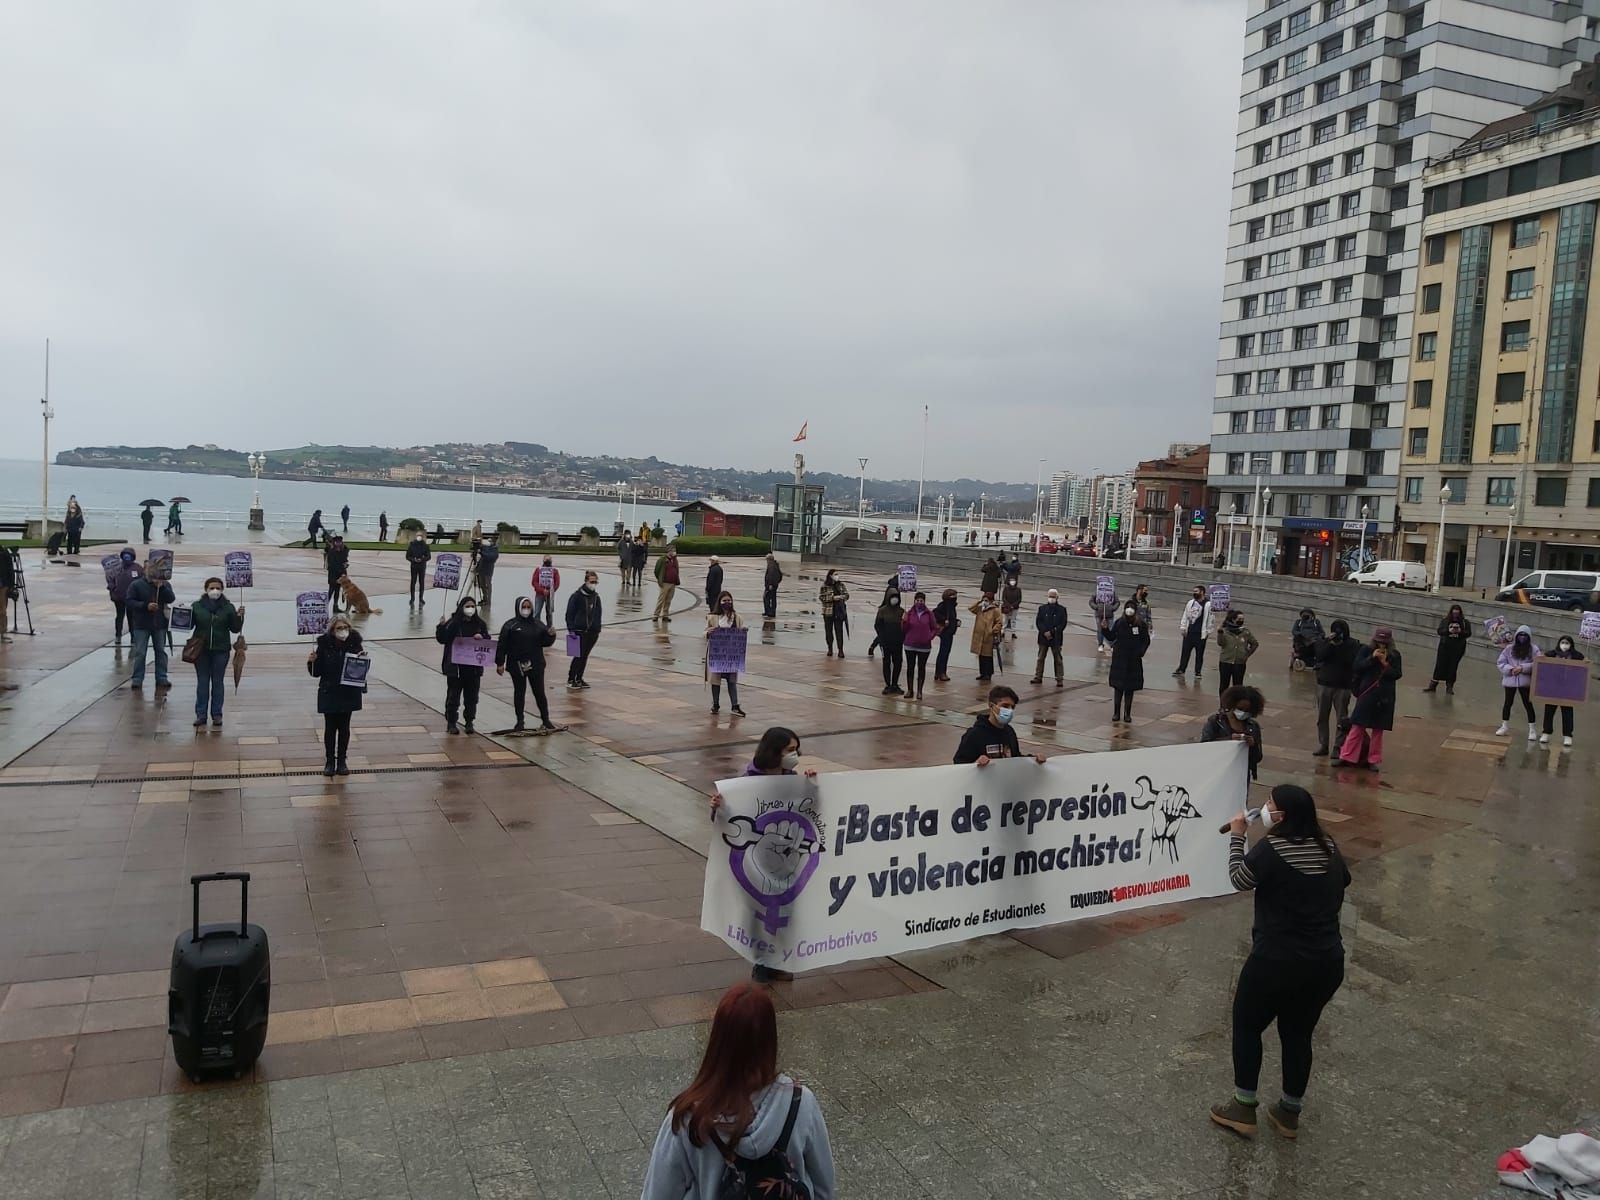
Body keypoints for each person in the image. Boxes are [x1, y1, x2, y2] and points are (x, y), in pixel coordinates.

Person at [1210, 784, 1349, 1142]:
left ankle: (1243, 1107)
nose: (1266, 806)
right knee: (1298, 1032)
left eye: (1271, 803)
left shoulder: (1274, 848)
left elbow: (1240, 878)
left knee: (1246, 1023)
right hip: (1326, 961)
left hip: (1277, 959)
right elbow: (1343, 880)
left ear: (1283, 816)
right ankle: (1289, 1112)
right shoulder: (1328, 846)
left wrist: (1238, 837)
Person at [641, 983, 835, 1199]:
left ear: (718, 1040)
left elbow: (658, 1193)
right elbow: (824, 1189)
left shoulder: (688, 1118)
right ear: (770, 1040)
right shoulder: (801, 1103)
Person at [1336, 628, 1401, 770]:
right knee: (1357, 726)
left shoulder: (1395, 655)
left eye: (1384, 643)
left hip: (1384, 696)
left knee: (1378, 730)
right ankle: (1346, 756)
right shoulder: (1365, 650)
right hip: (1367, 693)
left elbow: (1396, 674)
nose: (1381, 646)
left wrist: (1385, 663)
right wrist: (1372, 658)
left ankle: (1373, 760)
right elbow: (1357, 667)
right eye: (1378, 642)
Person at [309, 614, 363, 776]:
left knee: (344, 727)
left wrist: (362, 660)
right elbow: (316, 672)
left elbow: (360, 669)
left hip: (348, 691)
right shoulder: (324, 645)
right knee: (330, 728)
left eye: (345, 627)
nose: (343, 631)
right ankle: (329, 761)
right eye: (339, 628)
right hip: (329, 690)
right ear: (332, 630)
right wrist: (312, 661)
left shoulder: (355, 644)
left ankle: (342, 760)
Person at [495, 596, 556, 732]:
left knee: (539, 692)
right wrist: (500, 663)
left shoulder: (538, 624)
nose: (526, 610)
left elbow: (545, 642)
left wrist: (551, 635)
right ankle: (520, 721)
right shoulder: (510, 625)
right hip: (516, 665)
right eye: (524, 607)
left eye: (529, 607)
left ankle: (546, 720)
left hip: (536, 663)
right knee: (519, 692)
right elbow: (502, 645)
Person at [189, 577, 244, 728]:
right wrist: (179, 614)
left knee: (218, 682)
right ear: (206, 589)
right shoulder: (197, 606)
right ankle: (201, 714)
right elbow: (188, 625)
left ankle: (217, 715)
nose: (215, 590)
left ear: (222, 590)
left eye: (218, 588)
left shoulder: (228, 607)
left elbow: (234, 628)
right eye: (212, 587)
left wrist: (239, 617)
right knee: (203, 682)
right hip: (201, 650)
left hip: (221, 650)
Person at [953, 686, 1047, 764]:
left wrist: (1034, 759)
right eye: (1005, 706)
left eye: (1012, 707)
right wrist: (976, 763)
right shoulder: (974, 734)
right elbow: (959, 763)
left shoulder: (1009, 731)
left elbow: (1015, 758)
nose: (1009, 710)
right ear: (991, 706)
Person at [436, 596, 490, 733]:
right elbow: (442, 639)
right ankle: (451, 722)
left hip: (473, 668)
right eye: (467, 606)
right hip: (456, 668)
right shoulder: (454, 623)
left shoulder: (480, 624)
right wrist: (441, 627)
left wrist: (482, 638)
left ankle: (469, 721)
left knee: (472, 697)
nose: (470, 609)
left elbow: (488, 642)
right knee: (453, 696)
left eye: (473, 606)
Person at [1310, 619, 1357, 757]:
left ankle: (1338, 747)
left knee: (1341, 718)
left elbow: (1350, 660)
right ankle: (1323, 745)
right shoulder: (1325, 642)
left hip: (1343, 686)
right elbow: (1319, 656)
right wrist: (1329, 643)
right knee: (1322, 717)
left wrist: (1341, 645)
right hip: (1325, 684)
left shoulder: (1352, 644)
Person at [125, 565, 176, 690]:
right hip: (141, 624)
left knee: (160, 651)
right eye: (150, 568)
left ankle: (161, 677)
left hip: (160, 624)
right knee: (140, 652)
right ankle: (137, 678)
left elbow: (171, 598)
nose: (154, 571)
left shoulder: (164, 584)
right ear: (145, 570)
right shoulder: (136, 585)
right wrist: (145, 606)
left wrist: (162, 587)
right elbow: (129, 602)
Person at [1201, 685, 1266, 780]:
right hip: (1218, 772)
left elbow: (1257, 757)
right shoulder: (1215, 722)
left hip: (1241, 774)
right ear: (1232, 705)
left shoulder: (1253, 726)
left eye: (1247, 710)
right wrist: (1228, 740)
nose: (1243, 712)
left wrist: (1253, 745)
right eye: (1240, 708)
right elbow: (1205, 747)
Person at [1494, 624, 1542, 739]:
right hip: (1510, 680)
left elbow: (1538, 663)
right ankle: (1504, 726)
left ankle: (1532, 729)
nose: (1522, 637)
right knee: (1507, 703)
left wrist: (1523, 668)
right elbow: (1501, 662)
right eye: (1520, 635)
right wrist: (1510, 670)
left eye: (1525, 635)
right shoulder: (1509, 648)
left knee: (1528, 704)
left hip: (1525, 682)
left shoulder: (1534, 649)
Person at [1108, 600, 1151, 726]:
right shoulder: (1119, 623)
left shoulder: (1141, 625)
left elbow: (1146, 640)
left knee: (1129, 689)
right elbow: (1111, 636)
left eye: (1131, 608)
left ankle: (1127, 713)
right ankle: (1116, 713)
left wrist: (1140, 652)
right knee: (1118, 688)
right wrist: (1104, 628)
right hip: (1119, 659)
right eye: (1128, 608)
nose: (1129, 610)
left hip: (1133, 660)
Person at [706, 590, 747, 715]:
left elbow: (741, 630)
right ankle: (715, 704)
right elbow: (705, 633)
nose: (727, 603)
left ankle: (735, 705)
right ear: (720, 602)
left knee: (732, 681)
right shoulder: (713, 618)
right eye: (724, 601)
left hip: (731, 655)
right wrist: (709, 632)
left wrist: (744, 630)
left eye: (729, 600)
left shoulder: (737, 617)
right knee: (715, 681)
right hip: (718, 654)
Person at [1540, 635, 1584, 748]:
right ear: (1559, 643)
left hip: (1567, 689)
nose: (1565, 645)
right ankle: (1546, 733)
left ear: (1571, 645)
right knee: (1549, 711)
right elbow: (1542, 658)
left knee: (1567, 712)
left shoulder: (1575, 656)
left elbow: (1583, 661)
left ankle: (1567, 736)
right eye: (1563, 642)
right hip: (1553, 688)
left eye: (1567, 643)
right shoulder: (1553, 654)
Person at [565, 570, 602, 689]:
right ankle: (571, 679)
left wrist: (597, 628)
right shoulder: (576, 596)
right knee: (577, 656)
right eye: (592, 581)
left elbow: (598, 613)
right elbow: (569, 614)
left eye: (595, 582)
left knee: (585, 656)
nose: (593, 584)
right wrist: (571, 629)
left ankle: (579, 678)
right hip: (578, 631)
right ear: (586, 581)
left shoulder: (596, 597)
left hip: (592, 632)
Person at [1423, 605, 1471, 694]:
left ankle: (1449, 686)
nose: (1455, 615)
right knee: (1440, 665)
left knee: (1453, 667)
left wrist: (1460, 632)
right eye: (1454, 613)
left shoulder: (1465, 622)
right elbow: (1439, 631)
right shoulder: (1445, 621)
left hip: (1457, 648)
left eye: (1457, 613)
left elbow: (1468, 633)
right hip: (1444, 647)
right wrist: (1449, 631)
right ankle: (1433, 684)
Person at [900, 591, 939, 701]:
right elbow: (904, 629)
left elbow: (934, 627)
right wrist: (904, 621)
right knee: (910, 667)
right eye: (917, 600)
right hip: (910, 644)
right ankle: (910, 690)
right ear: (914, 601)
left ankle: (920, 691)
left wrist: (929, 637)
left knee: (921, 668)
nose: (919, 602)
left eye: (921, 601)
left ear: (924, 601)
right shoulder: (909, 613)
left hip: (924, 646)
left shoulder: (929, 614)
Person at [1215, 610, 1260, 696]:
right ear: (1233, 619)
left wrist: (1247, 655)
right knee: (1224, 685)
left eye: (1242, 619)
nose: (1241, 621)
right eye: (1239, 619)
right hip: (1225, 662)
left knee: (1238, 686)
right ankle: (1223, 705)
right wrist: (1220, 633)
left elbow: (1255, 643)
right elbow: (1220, 643)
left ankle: (1237, 705)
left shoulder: (1245, 632)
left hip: (1239, 663)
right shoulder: (1225, 631)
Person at [1174, 586, 1215, 678]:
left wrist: (1208, 631)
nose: (1194, 593)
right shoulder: (1190, 603)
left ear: (1202, 592)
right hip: (1189, 632)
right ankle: (1181, 669)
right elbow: (1185, 615)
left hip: (1200, 633)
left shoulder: (1208, 604)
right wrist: (1183, 627)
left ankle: (1198, 671)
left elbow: (1211, 619)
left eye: (1196, 591)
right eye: (1194, 591)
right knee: (1185, 652)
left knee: (1199, 654)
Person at [1032, 589, 1068, 686]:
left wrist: (1052, 632)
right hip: (1043, 638)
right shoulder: (1042, 608)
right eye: (1050, 596)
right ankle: (1038, 676)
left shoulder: (1062, 610)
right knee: (1040, 658)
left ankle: (1059, 679)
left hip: (1056, 638)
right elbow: (1039, 622)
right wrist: (1044, 632)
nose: (1051, 598)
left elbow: (1062, 624)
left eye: (1053, 596)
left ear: (1057, 597)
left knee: (1058, 659)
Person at [106, 547, 142, 644]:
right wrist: (112, 587)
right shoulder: (116, 568)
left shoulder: (137, 568)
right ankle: (118, 635)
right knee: (120, 616)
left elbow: (143, 581)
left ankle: (133, 636)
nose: (127, 557)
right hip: (119, 597)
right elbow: (111, 580)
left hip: (132, 598)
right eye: (125, 555)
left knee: (131, 618)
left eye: (129, 555)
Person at [874, 590, 906, 695]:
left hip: (898, 642)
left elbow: (905, 627)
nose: (894, 599)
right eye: (892, 597)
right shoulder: (882, 611)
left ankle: (895, 684)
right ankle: (888, 684)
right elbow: (878, 626)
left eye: (896, 597)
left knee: (898, 663)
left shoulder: (902, 611)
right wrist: (882, 639)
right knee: (886, 662)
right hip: (885, 642)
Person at [968, 592, 1004, 683]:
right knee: (981, 655)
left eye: (986, 600)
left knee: (987, 656)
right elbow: (971, 609)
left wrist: (993, 630)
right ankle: (982, 673)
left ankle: (988, 673)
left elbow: (999, 622)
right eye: (984, 600)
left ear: (991, 601)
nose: (985, 602)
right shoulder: (980, 609)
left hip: (988, 636)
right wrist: (978, 602)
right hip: (979, 635)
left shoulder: (995, 610)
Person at [819, 570, 849, 656]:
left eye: (837, 574)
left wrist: (841, 597)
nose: (837, 576)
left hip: (838, 611)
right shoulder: (825, 586)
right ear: (830, 576)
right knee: (828, 631)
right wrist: (833, 598)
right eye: (835, 574)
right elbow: (822, 597)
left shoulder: (841, 585)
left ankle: (840, 650)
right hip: (828, 611)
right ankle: (830, 648)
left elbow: (847, 595)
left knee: (839, 631)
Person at [932, 588, 959, 682]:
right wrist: (944, 620)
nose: (955, 598)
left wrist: (956, 622)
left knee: (944, 652)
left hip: (950, 631)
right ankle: (941, 672)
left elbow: (951, 618)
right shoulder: (945, 605)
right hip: (946, 632)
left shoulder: (951, 606)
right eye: (953, 596)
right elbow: (935, 613)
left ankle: (938, 672)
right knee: (944, 652)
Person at [1089, 584, 1119, 655]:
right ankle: (1100, 644)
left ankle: (1112, 645)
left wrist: (1113, 608)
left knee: (1111, 630)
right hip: (1099, 614)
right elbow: (1091, 601)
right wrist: (1096, 607)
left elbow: (1117, 602)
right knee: (1100, 630)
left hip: (1109, 614)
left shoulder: (1112, 592)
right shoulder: (1097, 592)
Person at [532, 555, 561, 624]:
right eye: (546, 560)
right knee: (537, 612)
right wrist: (542, 590)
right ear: (543, 561)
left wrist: (551, 590)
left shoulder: (555, 571)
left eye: (549, 560)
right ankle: (536, 627)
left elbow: (557, 583)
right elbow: (534, 582)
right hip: (540, 594)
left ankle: (549, 627)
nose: (548, 561)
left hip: (550, 594)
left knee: (549, 612)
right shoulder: (538, 570)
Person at [653, 546, 679, 621]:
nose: (674, 552)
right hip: (665, 583)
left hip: (673, 583)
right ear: (669, 551)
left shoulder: (674, 560)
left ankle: (665, 615)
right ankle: (656, 615)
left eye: (675, 551)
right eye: (673, 551)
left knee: (668, 600)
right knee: (661, 599)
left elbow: (676, 569)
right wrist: (660, 579)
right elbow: (656, 570)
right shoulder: (662, 560)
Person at [323, 534, 349, 611]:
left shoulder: (344, 550)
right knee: (331, 590)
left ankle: (335, 606)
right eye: (336, 542)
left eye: (339, 542)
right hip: (333, 573)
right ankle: (325, 607)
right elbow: (331, 563)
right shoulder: (331, 551)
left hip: (341, 574)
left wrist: (345, 565)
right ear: (334, 542)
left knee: (337, 590)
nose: (338, 543)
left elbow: (344, 560)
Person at [406, 530, 431, 604]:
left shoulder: (425, 546)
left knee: (421, 582)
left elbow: (428, 556)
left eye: (420, 536)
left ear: (422, 537)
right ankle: (412, 598)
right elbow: (407, 556)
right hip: (414, 566)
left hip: (422, 566)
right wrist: (413, 559)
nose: (419, 537)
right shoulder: (412, 545)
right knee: (413, 582)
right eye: (417, 536)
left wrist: (422, 559)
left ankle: (421, 598)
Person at [474, 535, 498, 610]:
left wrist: (481, 552)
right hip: (481, 569)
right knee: (482, 584)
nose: (490, 543)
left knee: (487, 584)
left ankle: (488, 600)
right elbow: (482, 552)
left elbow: (490, 557)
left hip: (488, 570)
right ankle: (484, 598)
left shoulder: (494, 550)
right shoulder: (486, 548)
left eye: (491, 541)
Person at [1000, 575, 1023, 639]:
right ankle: (1002, 632)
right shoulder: (1006, 589)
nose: (1012, 582)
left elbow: (1019, 599)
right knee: (1005, 620)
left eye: (1014, 581)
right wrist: (1008, 605)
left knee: (1013, 620)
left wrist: (1013, 605)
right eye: (1011, 581)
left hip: (1015, 607)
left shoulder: (1018, 590)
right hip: (1006, 607)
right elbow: (1004, 598)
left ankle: (1013, 633)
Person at [762, 553, 783, 619]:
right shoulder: (775, 565)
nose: (766, 561)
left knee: (767, 598)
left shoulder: (771, 565)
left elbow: (771, 576)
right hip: (774, 585)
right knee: (772, 598)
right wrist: (777, 582)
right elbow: (780, 575)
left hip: (770, 585)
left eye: (767, 559)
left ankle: (769, 612)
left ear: (769, 559)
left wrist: (771, 584)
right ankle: (770, 612)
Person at [0, 547, 14, 642]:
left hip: (3, 585)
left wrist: (11, 585)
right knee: (2, 609)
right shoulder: (5, 553)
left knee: (2, 609)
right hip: (4, 584)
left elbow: (10, 570)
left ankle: (2, 633)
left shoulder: (4, 553)